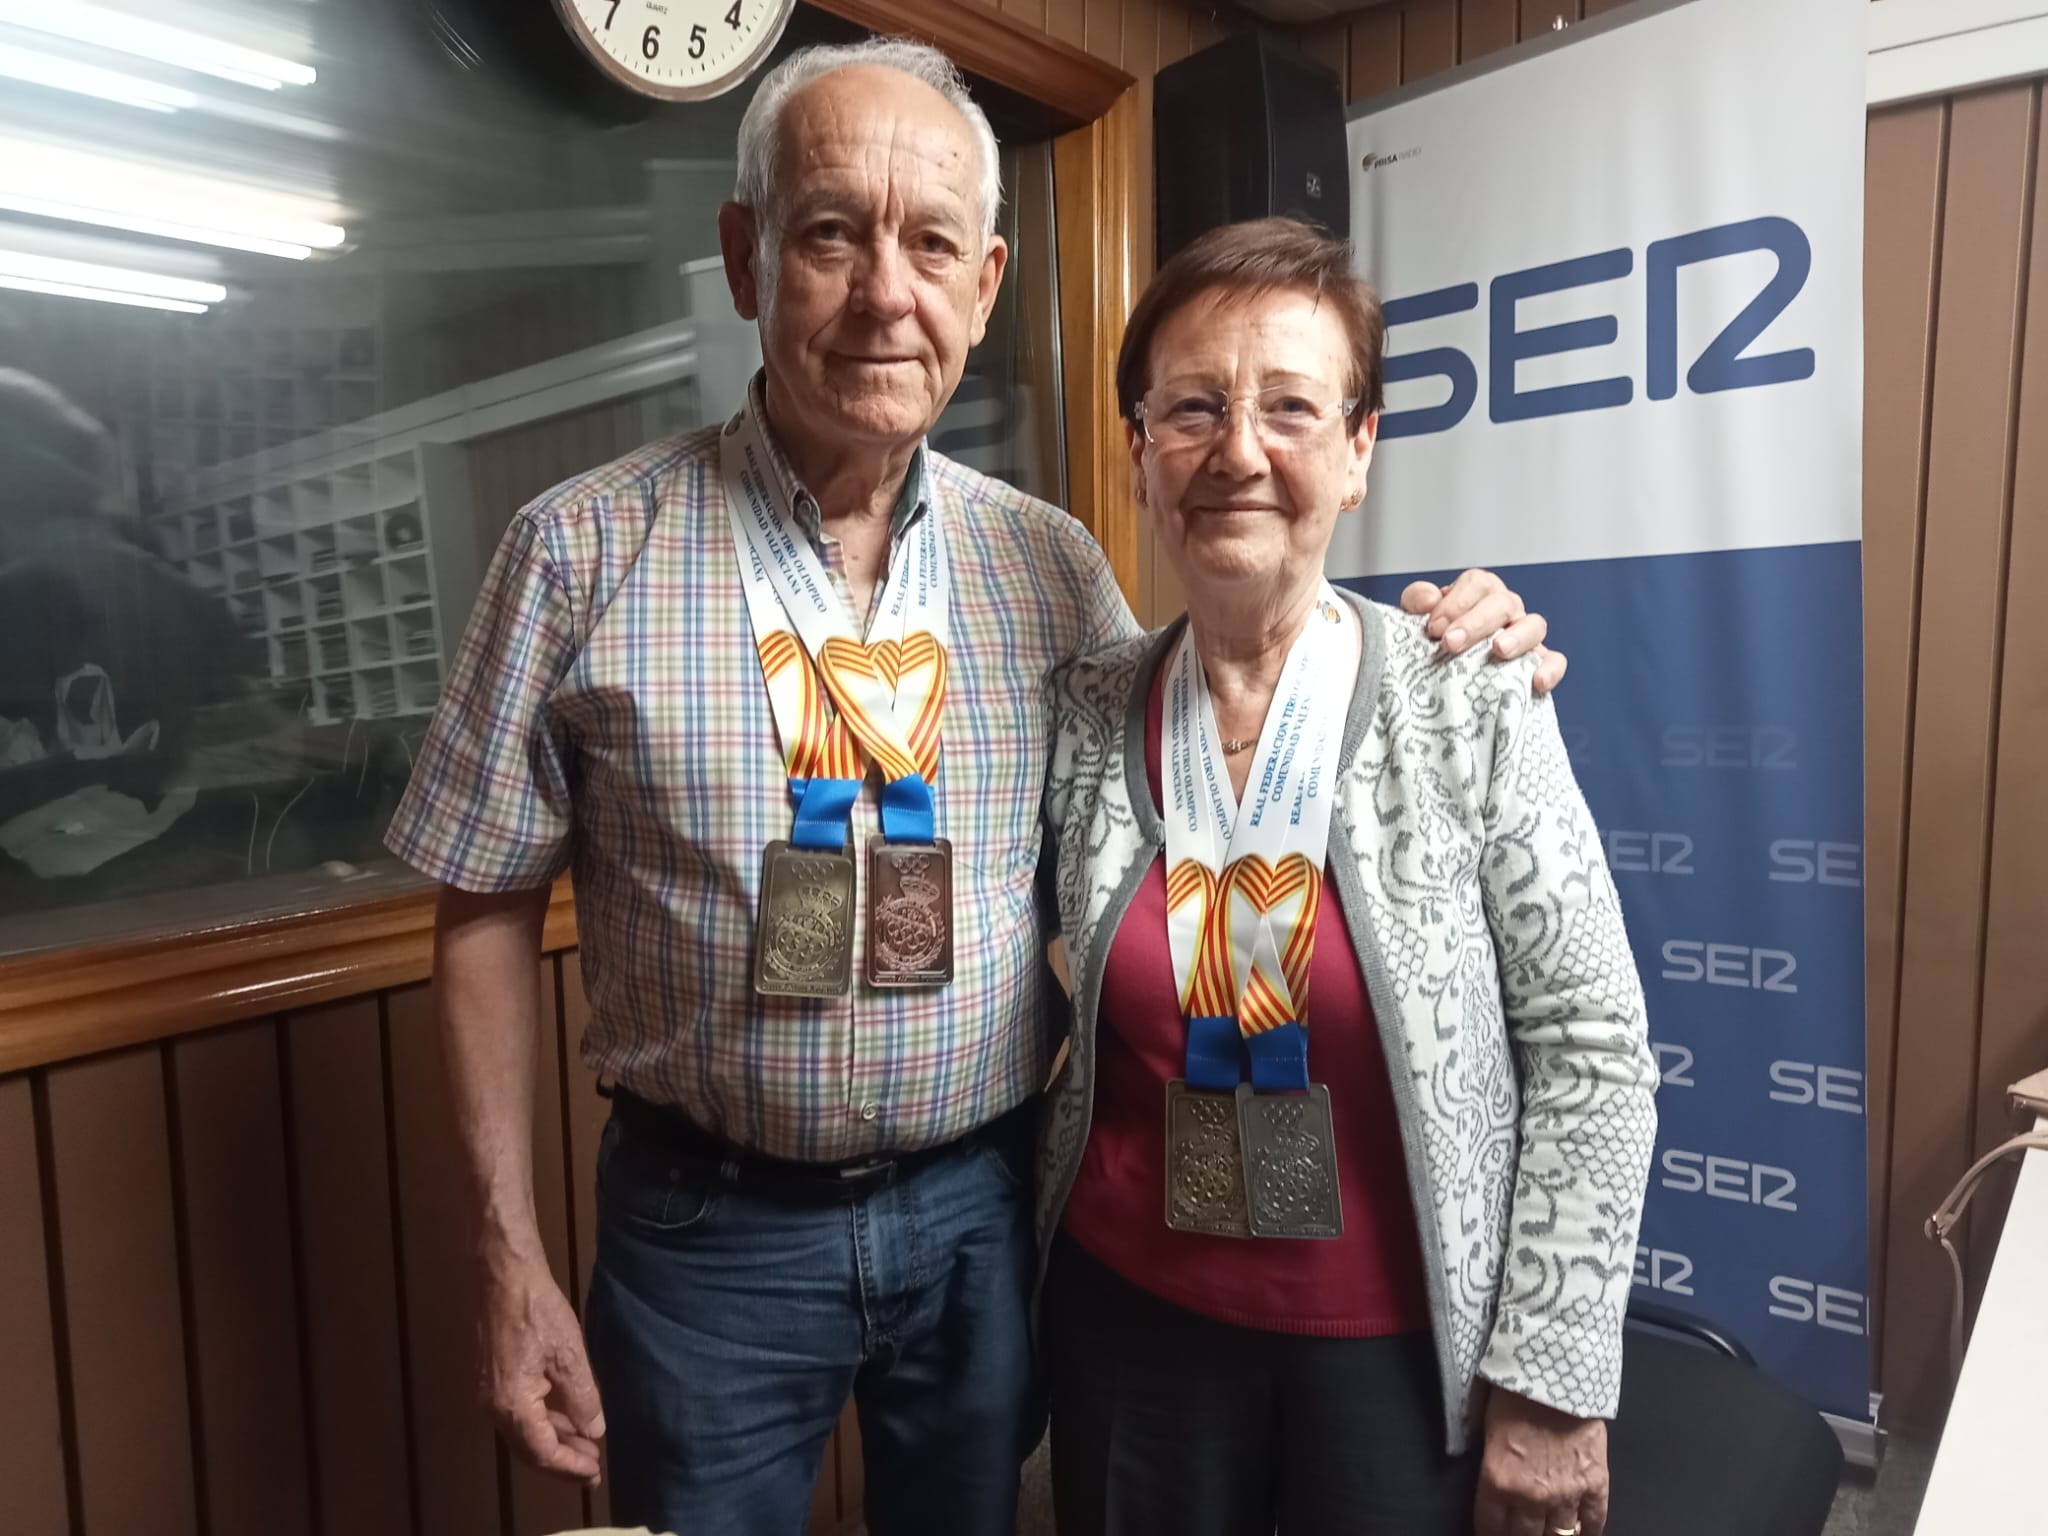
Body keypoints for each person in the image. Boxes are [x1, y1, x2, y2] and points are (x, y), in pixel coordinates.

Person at [383, 40, 1560, 1536]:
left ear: (987, 282)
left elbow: (1232, 718)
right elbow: (481, 901)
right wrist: (506, 1255)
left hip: (983, 1216)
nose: (887, 292)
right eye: (830, 234)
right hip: (709, 1233)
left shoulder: (1051, 565)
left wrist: (1463, 643)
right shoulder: (578, 553)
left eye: (932, 243)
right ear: (748, 259)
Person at [1037, 217, 1657, 1536]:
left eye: (1292, 409)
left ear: (1361, 449)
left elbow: (1591, 1044)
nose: (1239, 452)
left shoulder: (1468, 694)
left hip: (1395, 1353)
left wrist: (1550, 1387)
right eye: (1193, 407)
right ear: (1142, 451)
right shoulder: (1083, 712)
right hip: (1131, 1335)